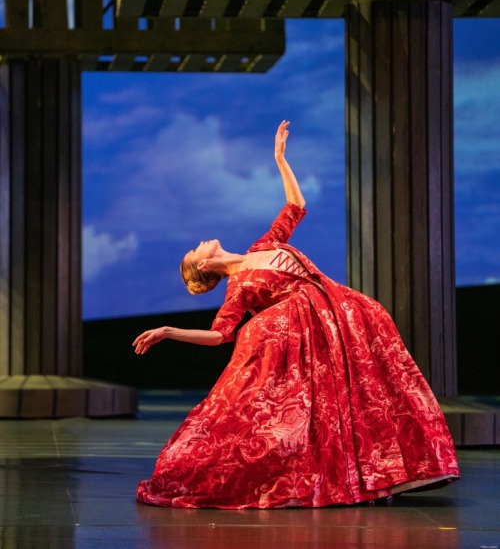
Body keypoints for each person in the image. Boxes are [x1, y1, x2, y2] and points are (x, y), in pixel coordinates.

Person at [133, 120, 459, 509]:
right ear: (202, 268)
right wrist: (170, 330)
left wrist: (280, 159)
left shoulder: (262, 245)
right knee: (333, 407)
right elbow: (221, 335)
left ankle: (397, 471)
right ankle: (358, 480)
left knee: (377, 391)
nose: (200, 243)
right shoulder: (238, 288)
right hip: (313, 333)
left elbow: (296, 207)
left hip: (345, 314)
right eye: (194, 251)